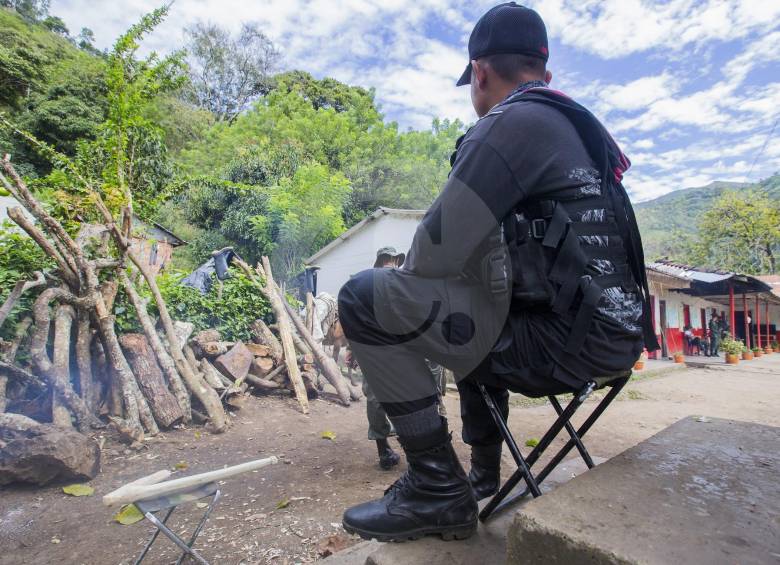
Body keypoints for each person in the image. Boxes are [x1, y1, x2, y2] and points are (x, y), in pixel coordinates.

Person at [338, 2, 657, 542]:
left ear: (479, 72)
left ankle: (437, 488)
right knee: (470, 312)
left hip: (563, 346)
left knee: (366, 297)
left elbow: (425, 261)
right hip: (616, 341)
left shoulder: (507, 124)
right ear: (544, 72)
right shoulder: (577, 128)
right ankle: (482, 472)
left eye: (472, 82)